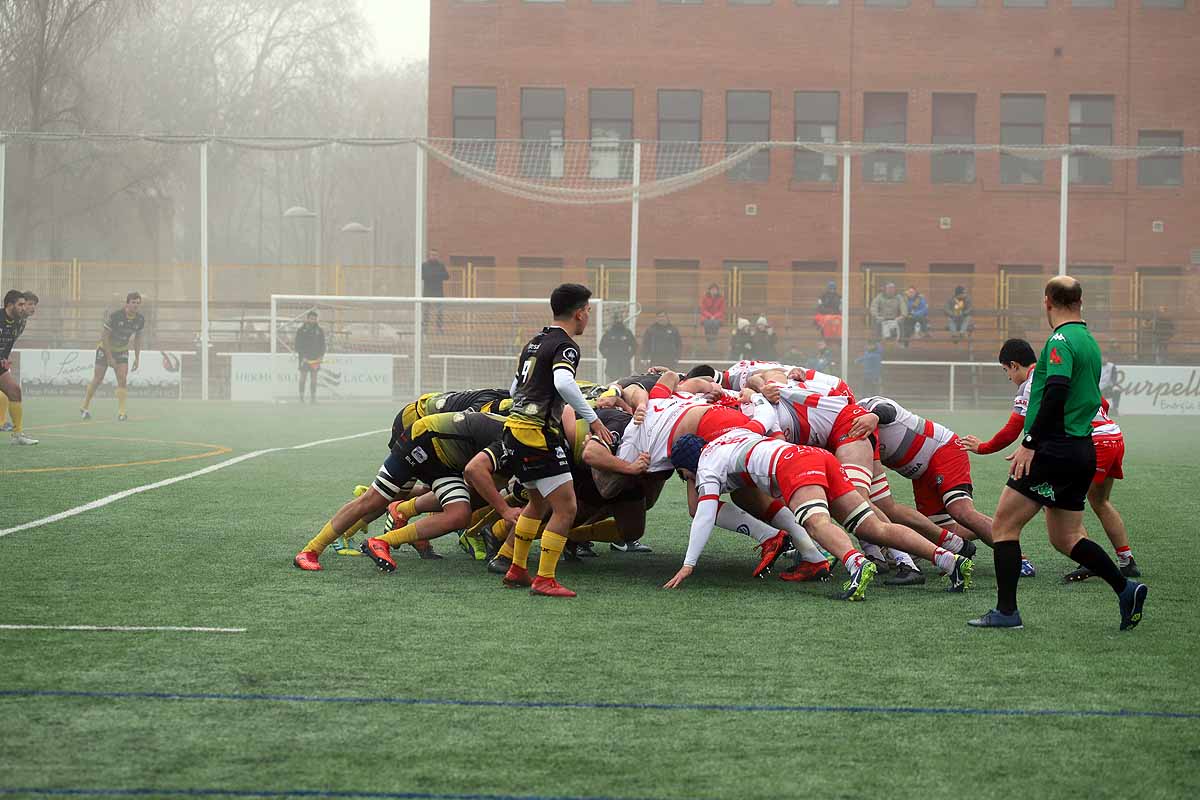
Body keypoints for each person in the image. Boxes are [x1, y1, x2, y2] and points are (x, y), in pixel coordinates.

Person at [967, 277, 1147, 631]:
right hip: (1081, 449)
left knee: (1004, 526)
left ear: (1047, 301)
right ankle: (1126, 588)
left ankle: (1007, 613)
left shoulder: (1060, 341)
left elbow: (1057, 391)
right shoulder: (1089, 342)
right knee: (1066, 538)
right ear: (1080, 301)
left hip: (1052, 448)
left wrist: (1030, 442)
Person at [960, 337, 1140, 581]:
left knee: (1056, 501)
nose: (1008, 377)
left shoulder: (1033, 382)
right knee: (1099, 502)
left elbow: (1013, 428)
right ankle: (1125, 560)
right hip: (1113, 436)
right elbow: (1102, 402)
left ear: (1014, 365)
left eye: (1006, 371)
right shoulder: (1060, 370)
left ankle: (1088, 560)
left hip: (1089, 441)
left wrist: (982, 447)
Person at [499, 283, 612, 598]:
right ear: (579, 313)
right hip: (536, 434)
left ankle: (517, 568)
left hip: (513, 431)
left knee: (536, 503)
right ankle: (544, 578)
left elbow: (513, 389)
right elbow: (564, 381)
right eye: (588, 310)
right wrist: (593, 419)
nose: (588, 316)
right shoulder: (566, 346)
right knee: (566, 508)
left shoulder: (534, 342)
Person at [81, 291, 144, 422]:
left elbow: (138, 339)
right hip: (105, 349)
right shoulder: (116, 316)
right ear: (127, 303)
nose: (136, 305)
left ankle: (122, 413)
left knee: (122, 378)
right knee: (98, 379)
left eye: (138, 303)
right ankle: (85, 407)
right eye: (133, 302)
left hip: (122, 350)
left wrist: (137, 358)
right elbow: (104, 336)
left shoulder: (140, 319)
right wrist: (109, 357)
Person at [0, 290, 38, 445]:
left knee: (15, 391)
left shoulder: (20, 322)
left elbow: (8, 343)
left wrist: (4, 359)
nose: (25, 308)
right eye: (21, 304)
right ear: (10, 305)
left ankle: (17, 435)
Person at [294, 310, 326, 404]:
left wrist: (321, 356)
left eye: (315, 319)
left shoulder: (320, 330)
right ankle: (301, 397)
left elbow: (323, 345)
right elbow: (297, 345)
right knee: (303, 377)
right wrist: (303, 356)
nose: (313, 320)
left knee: (314, 378)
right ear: (307, 319)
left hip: (315, 358)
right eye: (311, 318)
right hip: (304, 358)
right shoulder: (301, 330)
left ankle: (313, 398)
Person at [599, 316, 637, 383]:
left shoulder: (627, 332)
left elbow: (634, 346)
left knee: (625, 382)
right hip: (612, 363)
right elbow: (601, 346)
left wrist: (628, 356)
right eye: (616, 320)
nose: (618, 321)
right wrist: (607, 356)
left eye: (619, 319)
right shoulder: (609, 333)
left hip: (624, 363)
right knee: (611, 384)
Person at [421, 248, 449, 332]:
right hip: (427, 292)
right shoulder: (424, 265)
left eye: (435, 255)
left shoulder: (441, 265)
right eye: (432, 255)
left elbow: (447, 276)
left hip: (438, 292)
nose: (434, 256)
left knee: (440, 311)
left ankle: (439, 328)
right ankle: (425, 328)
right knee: (426, 311)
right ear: (429, 256)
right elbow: (421, 276)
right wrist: (430, 276)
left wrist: (436, 275)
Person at [699, 284, 725, 351]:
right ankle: (709, 341)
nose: (714, 291)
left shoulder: (721, 298)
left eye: (715, 290)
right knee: (707, 323)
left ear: (717, 291)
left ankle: (713, 340)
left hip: (717, 317)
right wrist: (710, 316)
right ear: (709, 290)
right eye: (712, 290)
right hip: (706, 317)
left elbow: (721, 310)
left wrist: (714, 316)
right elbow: (703, 309)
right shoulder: (705, 297)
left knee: (715, 323)